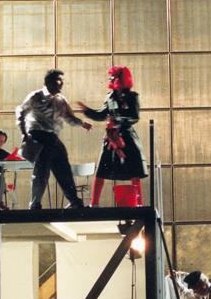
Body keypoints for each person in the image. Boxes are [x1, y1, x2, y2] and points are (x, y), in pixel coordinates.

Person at [16, 69, 92, 210]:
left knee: (63, 169)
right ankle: (35, 204)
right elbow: (21, 112)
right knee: (41, 171)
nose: (61, 83)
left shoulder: (60, 100)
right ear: (49, 82)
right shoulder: (36, 96)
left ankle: (74, 201)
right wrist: (24, 133)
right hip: (38, 136)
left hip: (53, 138)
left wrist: (82, 123)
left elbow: (69, 117)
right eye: (59, 80)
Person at [76, 65, 148, 207]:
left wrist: (117, 121)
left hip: (127, 136)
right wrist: (87, 111)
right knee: (101, 170)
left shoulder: (132, 97)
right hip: (111, 137)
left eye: (114, 77)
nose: (111, 79)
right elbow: (102, 114)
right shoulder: (110, 96)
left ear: (122, 79)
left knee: (134, 171)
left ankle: (138, 204)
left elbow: (134, 116)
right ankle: (94, 203)